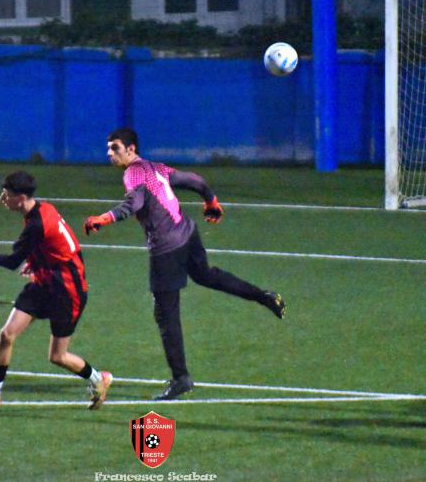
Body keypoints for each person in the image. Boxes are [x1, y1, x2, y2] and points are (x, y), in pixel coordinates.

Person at [84, 127, 285, 400]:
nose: (110, 153)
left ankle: (181, 379)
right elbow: (194, 180)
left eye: (115, 148)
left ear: (131, 149)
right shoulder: (156, 167)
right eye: (108, 148)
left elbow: (133, 204)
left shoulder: (133, 173)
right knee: (207, 275)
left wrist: (103, 218)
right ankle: (264, 296)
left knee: (165, 314)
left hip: (167, 248)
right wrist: (211, 201)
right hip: (187, 232)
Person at [0, 170, 112, 411]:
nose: (2, 198)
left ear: (20, 198)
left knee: (58, 356)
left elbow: (12, 262)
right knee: (7, 335)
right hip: (43, 283)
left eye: (6, 194)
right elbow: (60, 245)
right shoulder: (42, 209)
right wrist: (36, 262)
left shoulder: (36, 223)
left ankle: (98, 378)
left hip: (66, 291)